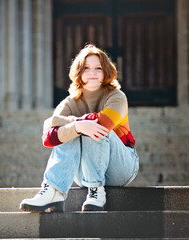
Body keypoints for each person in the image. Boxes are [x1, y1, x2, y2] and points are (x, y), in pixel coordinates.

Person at [20, 44, 139, 212]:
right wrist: (77, 126)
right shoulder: (69, 102)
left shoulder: (117, 97)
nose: (92, 73)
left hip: (120, 167)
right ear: (79, 72)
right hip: (83, 172)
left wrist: (72, 124)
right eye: (86, 68)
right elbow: (49, 137)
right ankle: (53, 191)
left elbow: (101, 125)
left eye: (98, 68)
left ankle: (96, 191)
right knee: (74, 131)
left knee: (93, 128)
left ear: (106, 71)